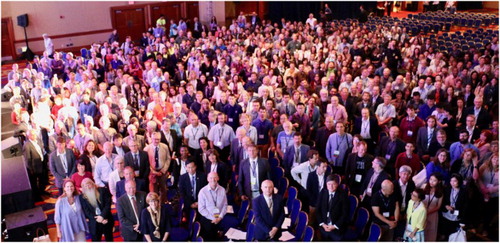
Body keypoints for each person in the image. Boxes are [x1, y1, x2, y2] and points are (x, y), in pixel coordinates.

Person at [316, 174, 350, 241]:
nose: (331, 187)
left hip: (337, 226)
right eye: (329, 184)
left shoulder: (343, 195)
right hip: (324, 224)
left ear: (337, 184)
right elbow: (318, 210)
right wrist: (322, 224)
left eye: (333, 184)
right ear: (326, 184)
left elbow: (345, 214)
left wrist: (334, 226)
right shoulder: (323, 192)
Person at [197, 172, 228, 241]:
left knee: (219, 238)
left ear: (218, 178)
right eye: (211, 178)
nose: (213, 180)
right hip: (207, 219)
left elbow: (225, 205)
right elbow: (201, 209)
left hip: (219, 218)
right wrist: (213, 218)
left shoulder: (222, 190)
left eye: (215, 177)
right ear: (208, 179)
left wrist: (219, 217)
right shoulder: (202, 191)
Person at [144, 132, 171, 203]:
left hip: (162, 172)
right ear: (151, 139)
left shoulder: (165, 147)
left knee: (164, 189)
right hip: (152, 173)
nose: (156, 141)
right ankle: (154, 204)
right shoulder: (146, 149)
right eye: (155, 139)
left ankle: (163, 203)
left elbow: (168, 159)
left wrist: (163, 170)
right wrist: (153, 171)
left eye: (158, 139)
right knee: (153, 191)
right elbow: (146, 163)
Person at [440, 174, 467, 240]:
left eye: (454, 181)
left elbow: (465, 207)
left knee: (453, 234)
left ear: (459, 181)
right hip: (446, 215)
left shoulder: (464, 192)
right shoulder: (447, 189)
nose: (452, 183)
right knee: (444, 232)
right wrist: (445, 206)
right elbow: (442, 202)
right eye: (451, 181)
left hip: (457, 216)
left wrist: (463, 221)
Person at [478, 154, 499, 239]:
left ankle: (485, 228)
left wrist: (489, 191)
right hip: (482, 193)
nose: (496, 161)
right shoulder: (484, 166)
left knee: (489, 213)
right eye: (494, 159)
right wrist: (483, 189)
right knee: (480, 210)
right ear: (491, 159)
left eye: (498, 160)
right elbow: (478, 178)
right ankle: (477, 226)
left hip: (494, 195)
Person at [393, 165, 416, 240]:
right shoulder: (394, 184)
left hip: (406, 210)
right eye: (404, 174)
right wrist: (397, 212)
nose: (406, 176)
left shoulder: (411, 184)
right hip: (395, 210)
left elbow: (413, 200)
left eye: (408, 174)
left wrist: (407, 212)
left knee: (402, 230)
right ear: (399, 174)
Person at [23, 129, 47, 200]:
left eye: (35, 134)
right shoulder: (27, 145)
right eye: (32, 135)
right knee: (34, 183)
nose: (34, 136)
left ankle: (42, 191)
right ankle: (37, 197)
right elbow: (27, 159)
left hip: (41, 164)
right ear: (29, 136)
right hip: (34, 168)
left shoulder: (38, 141)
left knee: (42, 180)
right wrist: (30, 169)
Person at [422, 172, 444, 241]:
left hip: (433, 213)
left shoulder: (440, 191)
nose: (431, 182)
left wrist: (429, 212)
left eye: (434, 180)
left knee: (431, 232)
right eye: (431, 179)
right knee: (422, 230)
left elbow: (438, 206)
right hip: (422, 211)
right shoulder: (424, 186)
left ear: (439, 181)